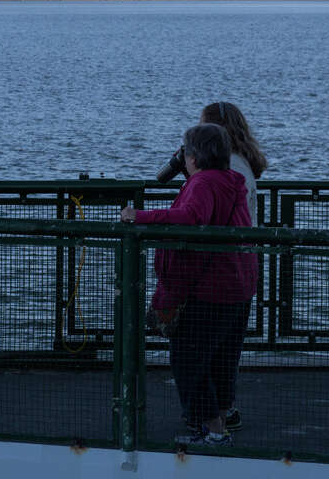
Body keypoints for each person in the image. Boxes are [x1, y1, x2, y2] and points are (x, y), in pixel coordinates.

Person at [121, 123, 258, 447]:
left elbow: (190, 217)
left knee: (188, 360)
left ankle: (210, 428)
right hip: (238, 285)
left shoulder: (204, 183)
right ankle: (219, 426)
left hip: (210, 290)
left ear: (193, 155)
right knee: (223, 359)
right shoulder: (229, 180)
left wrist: (138, 217)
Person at [199, 101, 267, 227]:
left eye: (201, 127)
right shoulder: (238, 161)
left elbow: (221, 211)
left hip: (233, 241)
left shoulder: (231, 165)